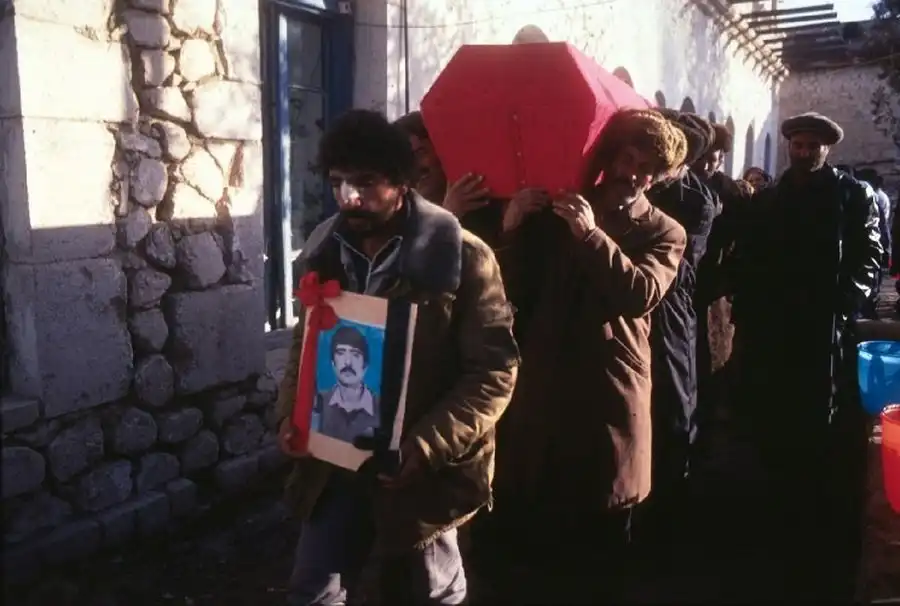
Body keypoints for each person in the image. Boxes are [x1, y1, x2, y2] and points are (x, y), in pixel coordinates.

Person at [275, 109, 520, 605]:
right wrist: (293, 416)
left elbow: (493, 372)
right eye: (338, 183)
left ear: (403, 182)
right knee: (312, 589)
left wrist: (425, 447)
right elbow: (307, 342)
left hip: (424, 471)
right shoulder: (326, 249)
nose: (350, 197)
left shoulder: (462, 255)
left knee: (431, 592)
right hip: (336, 460)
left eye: (366, 183)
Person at [488, 108, 688, 602]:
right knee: (536, 530)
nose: (633, 175)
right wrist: (511, 230)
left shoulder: (664, 231)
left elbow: (640, 293)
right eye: (628, 160)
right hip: (544, 388)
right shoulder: (567, 207)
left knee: (601, 538)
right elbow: (514, 287)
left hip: (608, 392)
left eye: (647, 170)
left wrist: (592, 237)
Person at [727, 111, 882, 600]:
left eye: (813, 146)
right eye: (798, 144)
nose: (805, 152)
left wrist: (844, 302)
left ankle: (812, 520)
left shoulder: (851, 195)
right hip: (774, 330)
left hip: (821, 329)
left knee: (819, 422)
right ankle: (773, 509)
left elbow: (869, 256)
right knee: (772, 418)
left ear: (826, 149)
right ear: (789, 146)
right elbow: (749, 256)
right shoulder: (769, 199)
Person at [641, 109, 718, 564]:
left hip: (670, 312)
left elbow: (673, 264)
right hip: (634, 310)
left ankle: (670, 517)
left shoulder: (696, 201)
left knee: (672, 408)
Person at [393, 111, 503, 247]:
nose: (415, 167)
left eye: (420, 152)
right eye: (405, 160)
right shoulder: (397, 223)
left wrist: (510, 229)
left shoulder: (481, 199)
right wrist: (449, 214)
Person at [314, 325, 379, 443]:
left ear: (365, 366)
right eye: (340, 353)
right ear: (333, 363)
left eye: (355, 354)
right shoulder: (318, 403)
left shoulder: (382, 408)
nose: (348, 362)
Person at [855, 167, 892, 317]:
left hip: (871, 244)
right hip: (874, 244)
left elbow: (881, 226)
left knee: (871, 282)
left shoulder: (873, 197)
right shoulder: (878, 196)